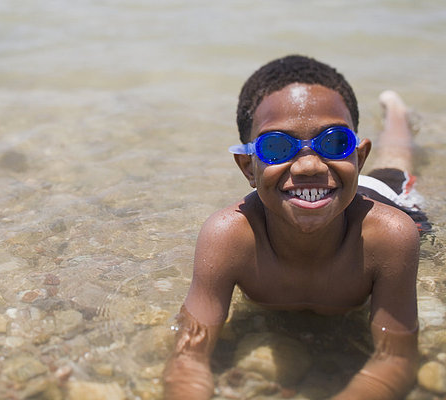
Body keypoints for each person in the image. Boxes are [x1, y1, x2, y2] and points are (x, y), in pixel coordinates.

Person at [163, 55, 429, 399]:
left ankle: (396, 114)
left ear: (359, 158)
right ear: (248, 166)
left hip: (387, 198)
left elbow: (395, 359)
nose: (307, 165)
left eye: (335, 142)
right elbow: (188, 356)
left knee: (397, 159)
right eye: (277, 147)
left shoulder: (389, 237)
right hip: (336, 188)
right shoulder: (229, 237)